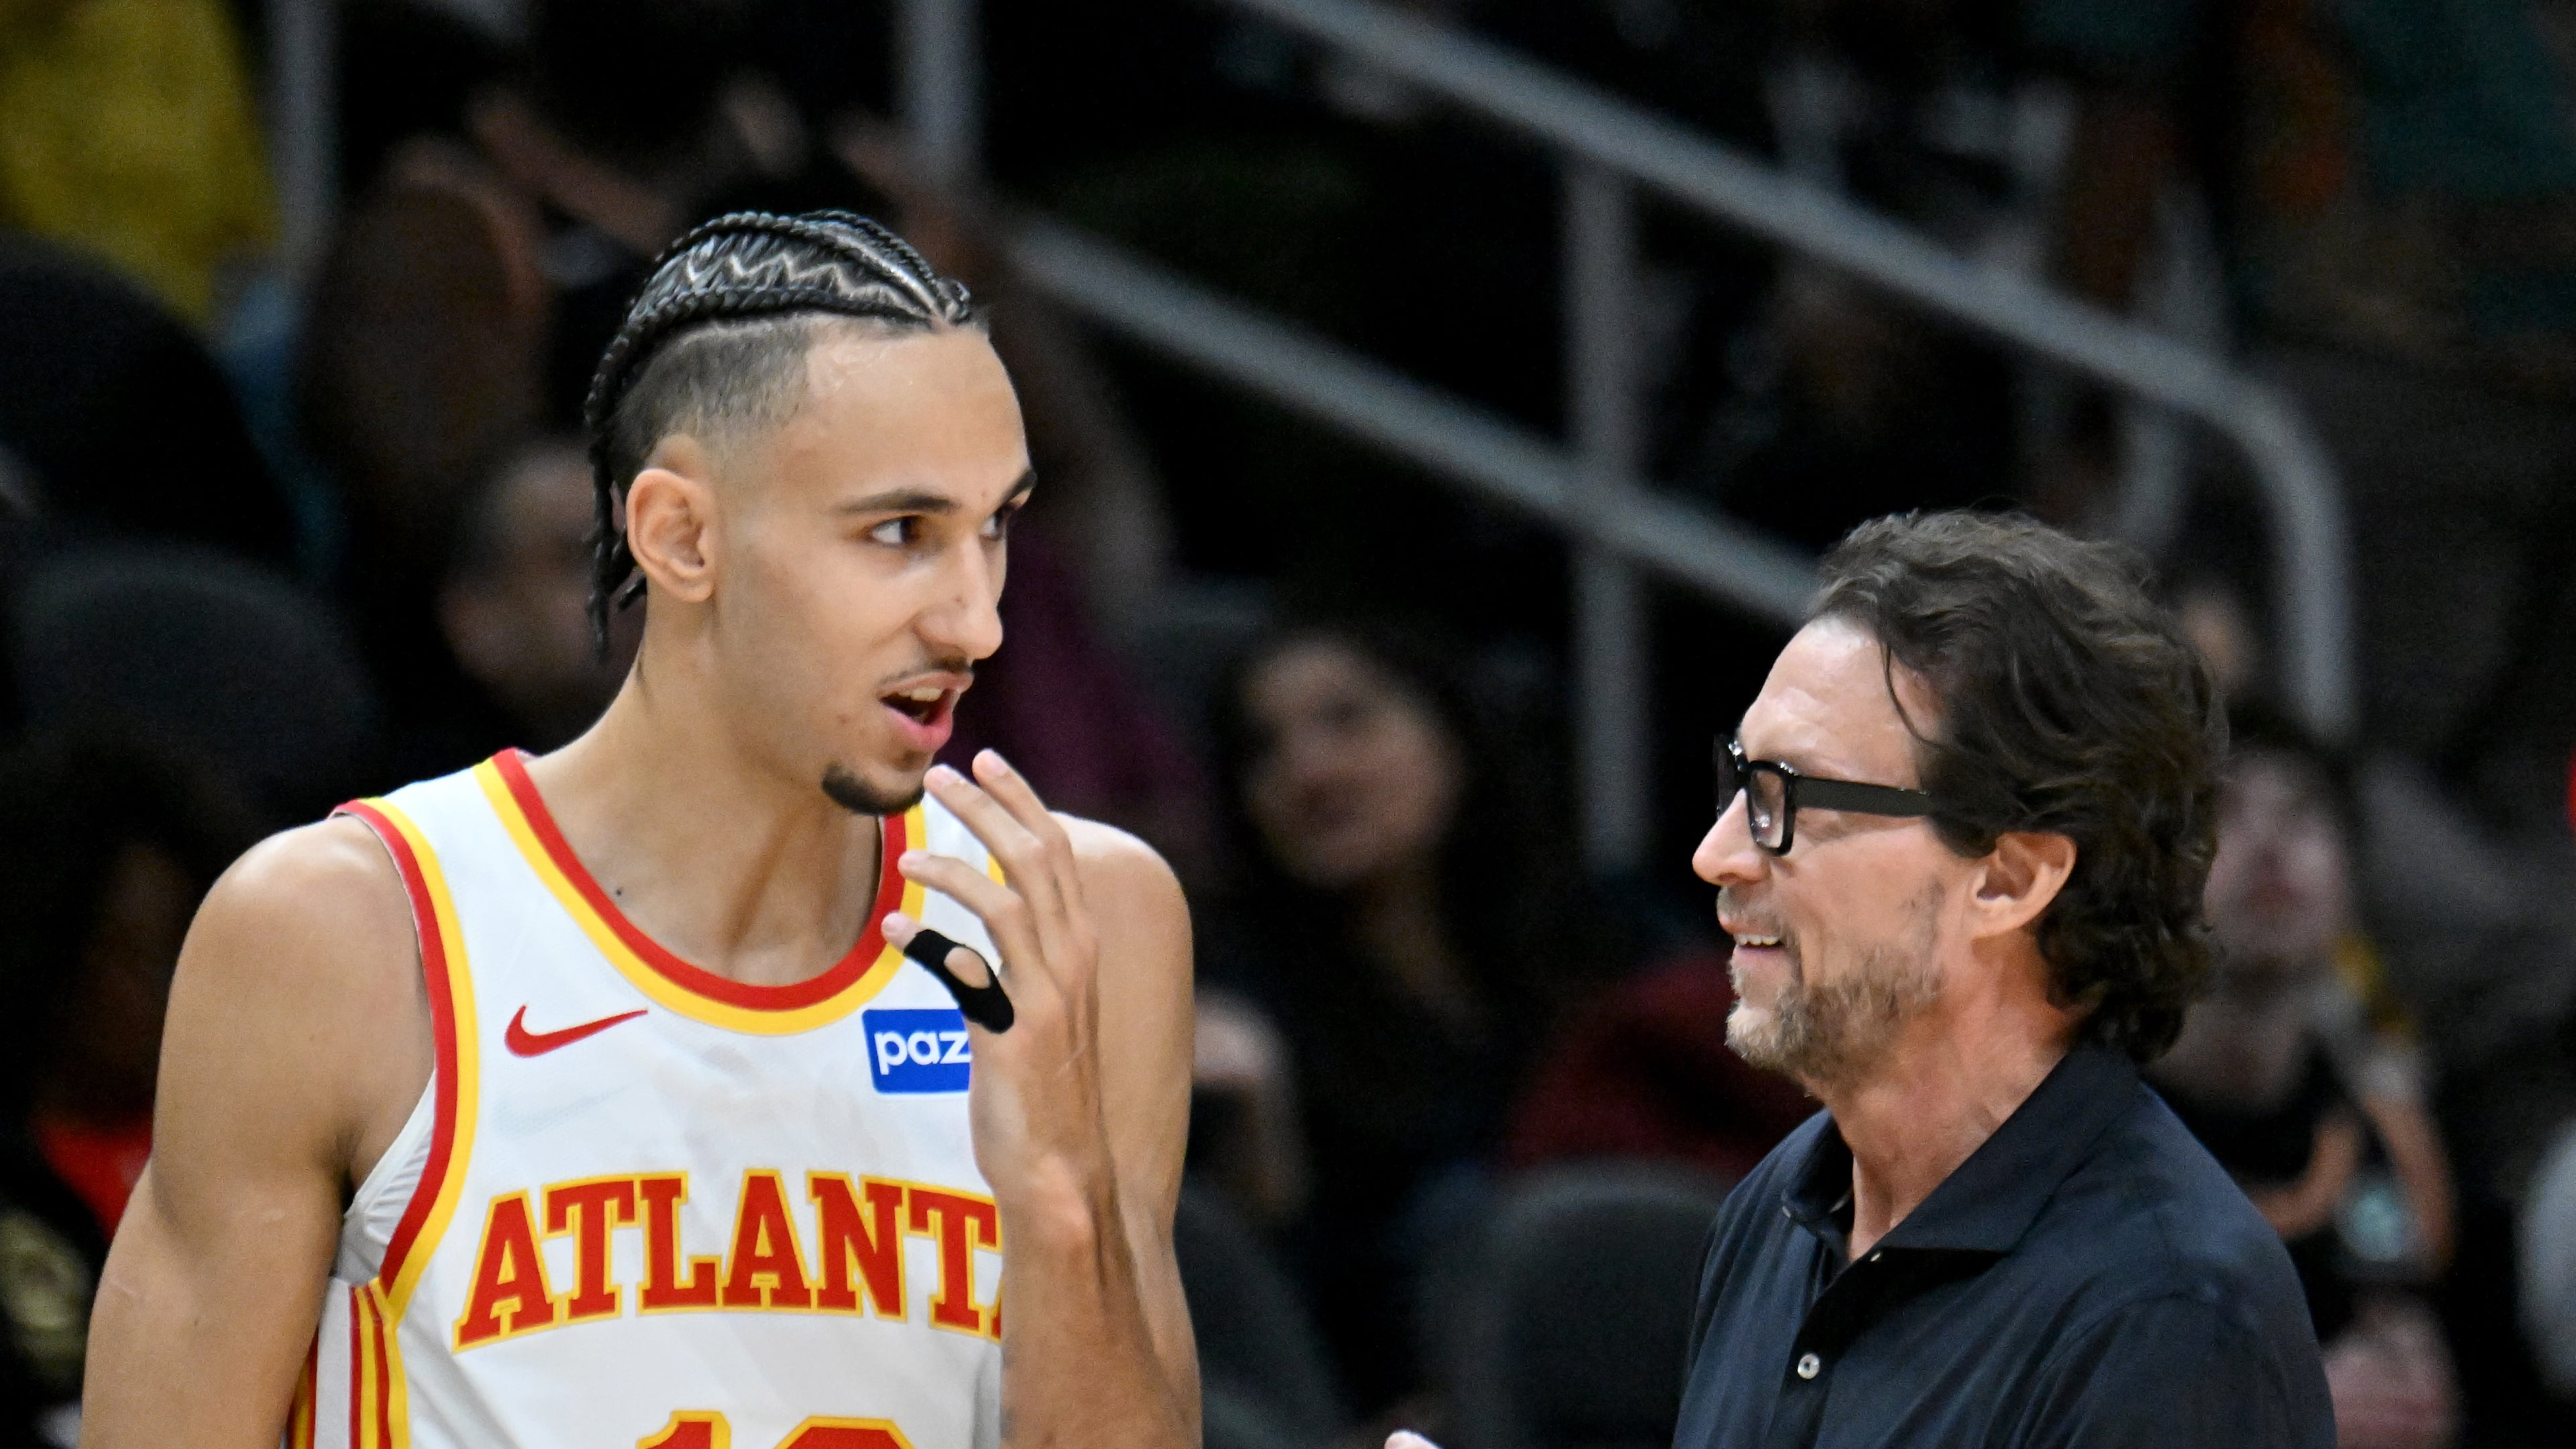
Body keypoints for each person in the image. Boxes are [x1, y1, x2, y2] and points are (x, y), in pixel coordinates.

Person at [78, 211, 1198, 1449]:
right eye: (901, 533)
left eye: (995, 528)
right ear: (681, 536)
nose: (975, 623)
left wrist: (1056, 1200)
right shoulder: (341, 933)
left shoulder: (1086, 920)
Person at [1388, 512, 2334, 1449]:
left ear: (2008, 877)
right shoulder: (1782, 1204)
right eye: (1738, 783)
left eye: (1787, 798)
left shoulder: (2167, 1314)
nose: (1718, 855)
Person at [1203, 619, 1615, 1415]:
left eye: (1347, 720)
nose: (1309, 770)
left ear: (1451, 728)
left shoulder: (1608, 940)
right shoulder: (1237, 1014)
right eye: (1263, 750)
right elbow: (1272, 1325)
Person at [2153, 706, 2458, 1449]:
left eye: (2302, 815)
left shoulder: (2407, 1147)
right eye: (2222, 812)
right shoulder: (2066, 1147)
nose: (2270, 846)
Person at [0, 733, 258, 1447]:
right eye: (139, 952)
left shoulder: (271, 1151)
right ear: (50, 955)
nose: (178, 983)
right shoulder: (20, 1182)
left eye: (195, 945)